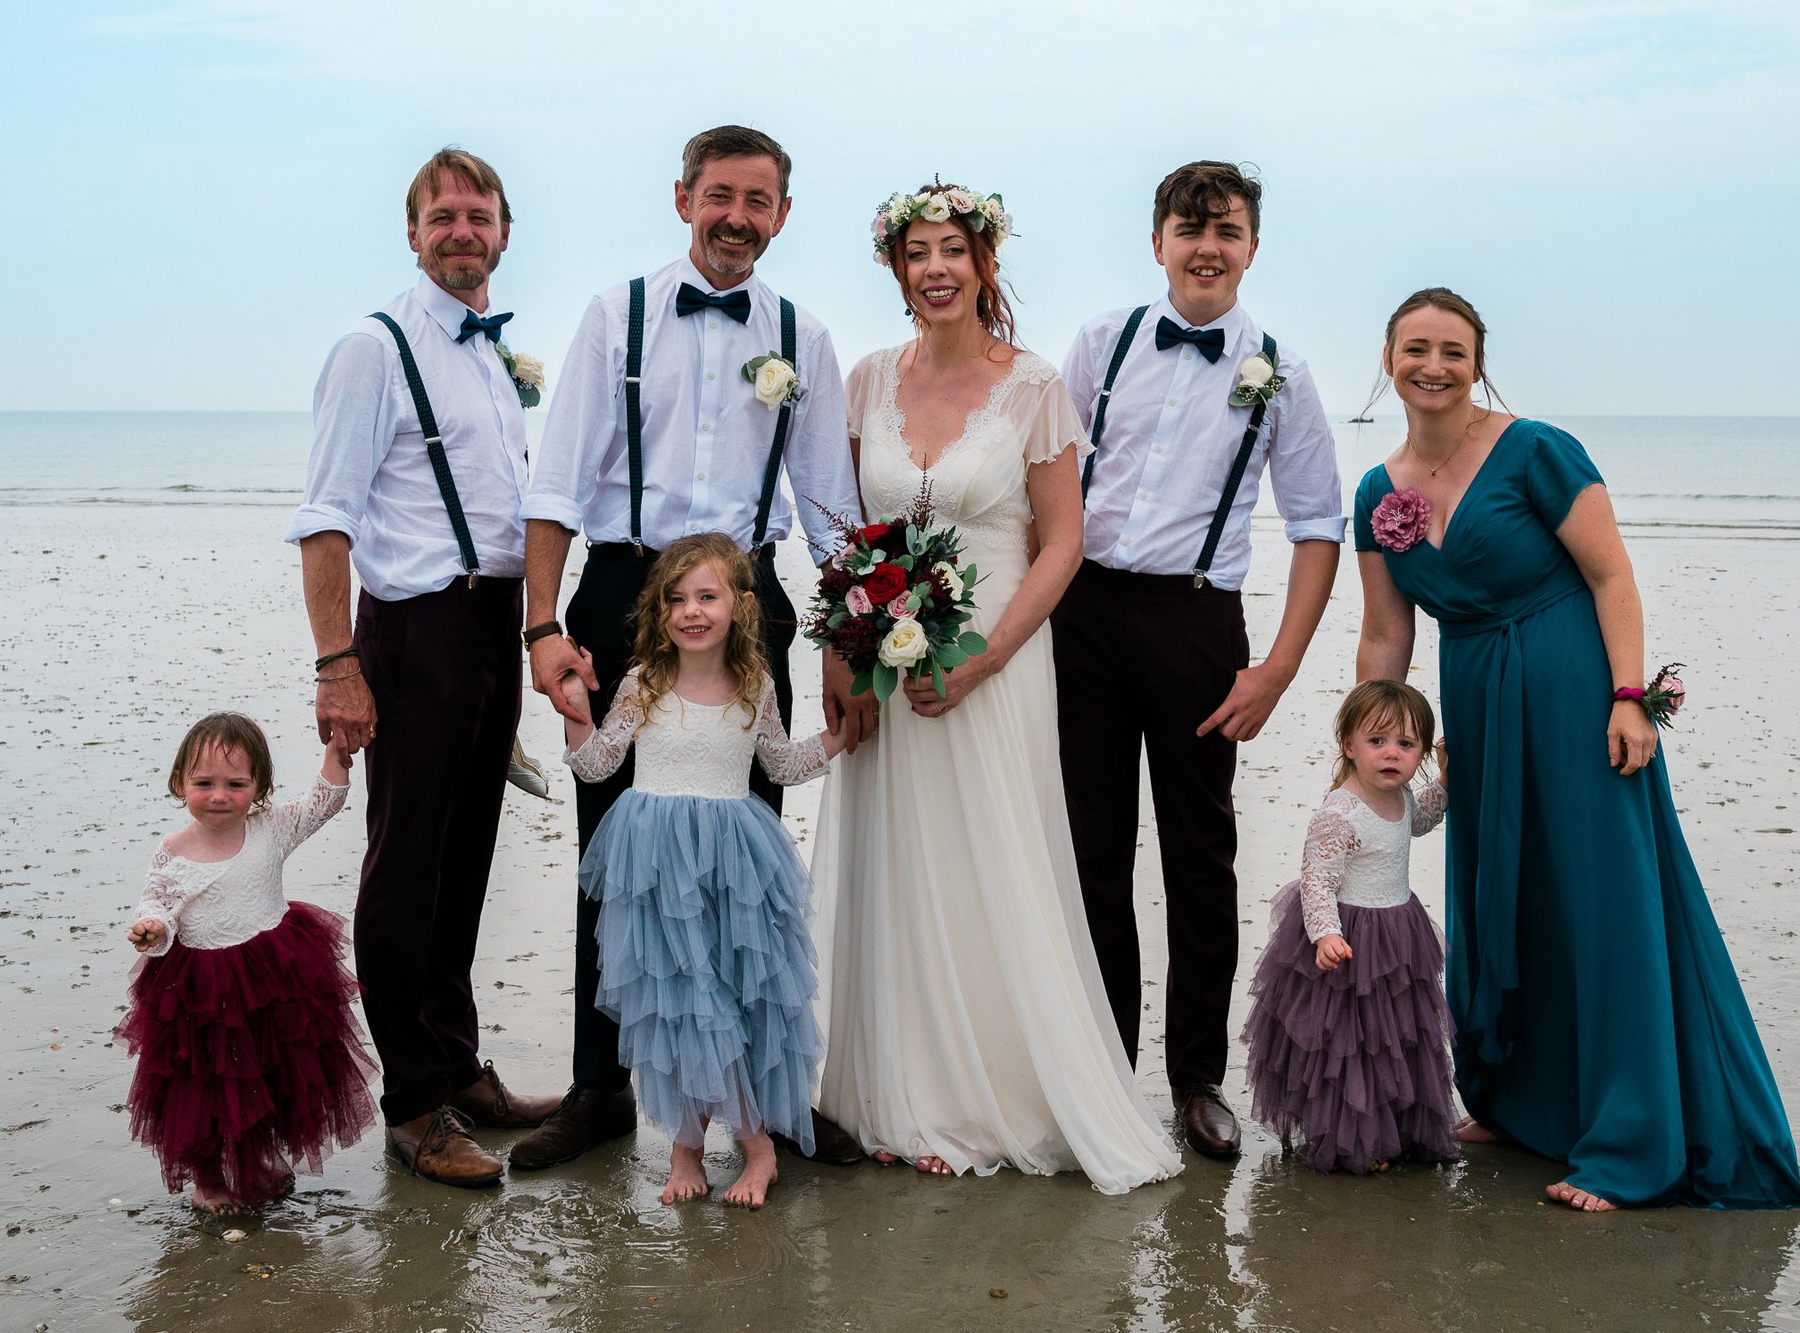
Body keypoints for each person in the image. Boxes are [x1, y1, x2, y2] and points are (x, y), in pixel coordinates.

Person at [1353, 288, 1800, 1211]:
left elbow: (1612, 573)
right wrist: (1372, 740)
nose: (1434, 366)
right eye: (1417, 349)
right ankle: (1517, 1101)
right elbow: (1384, 632)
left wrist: (1629, 698)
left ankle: (1631, 1139)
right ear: (1388, 359)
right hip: (1479, 708)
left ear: (1477, 361)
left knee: (1601, 905)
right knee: (1506, 897)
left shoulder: (1538, 449)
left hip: (1575, 694)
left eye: (1453, 350)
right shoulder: (1378, 492)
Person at [812, 179, 1183, 1194]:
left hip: (998, 662)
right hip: (885, 663)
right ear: (896, 271)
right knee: (896, 861)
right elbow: (848, 534)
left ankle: (998, 1097)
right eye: (916, 253)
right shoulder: (863, 381)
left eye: (952, 251)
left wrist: (980, 659)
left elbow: (1062, 543)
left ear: (983, 264)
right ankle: (893, 1091)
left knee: (999, 858)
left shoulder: (1034, 387)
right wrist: (839, 652)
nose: (935, 269)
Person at [520, 125, 870, 1170]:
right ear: (683, 199)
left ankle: (760, 1107)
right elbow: (555, 484)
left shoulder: (803, 336)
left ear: (782, 215)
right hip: (625, 585)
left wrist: (844, 648)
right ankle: (598, 1091)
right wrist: (543, 626)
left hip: (752, 597)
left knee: (742, 875)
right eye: (719, 195)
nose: (736, 217)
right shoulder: (614, 315)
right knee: (612, 867)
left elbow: (831, 510)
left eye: (757, 201)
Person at [1054, 159, 1344, 1157]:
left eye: (1225, 230)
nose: (1206, 246)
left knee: (1198, 857)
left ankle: (1197, 1080)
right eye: (1189, 227)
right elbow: (1047, 485)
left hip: (1196, 622)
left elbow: (1316, 526)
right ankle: (1099, 1066)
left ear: (1251, 248)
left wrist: (1277, 669)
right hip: (1082, 614)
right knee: (1092, 852)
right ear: (1157, 241)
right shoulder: (1102, 341)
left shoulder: (1285, 372)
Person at [285, 147, 555, 1189]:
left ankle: (456, 1064)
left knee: (466, 858)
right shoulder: (373, 347)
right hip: (411, 630)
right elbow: (326, 517)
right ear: (411, 232)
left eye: (477, 214)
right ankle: (412, 1106)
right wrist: (336, 665)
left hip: (489, 631)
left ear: (503, 231)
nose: (460, 229)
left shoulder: (489, 353)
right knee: (405, 868)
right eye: (440, 215)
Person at [561, 534, 856, 1207]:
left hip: (733, 863)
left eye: (707, 596)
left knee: (725, 1003)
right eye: (676, 598)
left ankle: (758, 1148)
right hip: (656, 866)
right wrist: (577, 715)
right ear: (658, 609)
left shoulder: (755, 685)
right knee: (674, 1011)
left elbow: (779, 765)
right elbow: (598, 764)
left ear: (741, 605)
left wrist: (838, 739)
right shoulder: (643, 683)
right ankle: (686, 1147)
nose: (691, 610)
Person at [118, 714, 377, 1211]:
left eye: (236, 784)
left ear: (259, 787)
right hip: (200, 990)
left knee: (276, 1075)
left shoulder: (271, 828)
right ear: (180, 784)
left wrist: (335, 756)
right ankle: (208, 1181)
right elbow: (158, 902)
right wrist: (152, 928)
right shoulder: (173, 850)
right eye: (204, 783)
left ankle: (258, 1160)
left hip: (272, 978)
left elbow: (322, 805)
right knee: (205, 1092)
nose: (219, 796)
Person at [1242, 681, 1457, 1175]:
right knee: (1348, 1045)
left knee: (1398, 1037)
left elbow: (1419, 820)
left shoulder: (1401, 796)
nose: (1391, 754)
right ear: (1349, 745)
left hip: (1398, 933)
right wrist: (1325, 934)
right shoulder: (1338, 811)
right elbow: (1317, 880)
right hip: (1350, 939)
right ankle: (1351, 1138)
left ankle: (1396, 1127)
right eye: (1377, 741)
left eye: (1406, 745)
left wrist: (1444, 780)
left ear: (1421, 751)